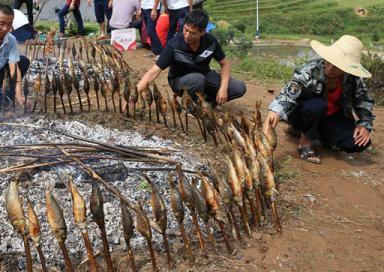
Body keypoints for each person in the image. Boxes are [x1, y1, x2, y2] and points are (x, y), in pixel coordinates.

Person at [263, 35, 374, 164]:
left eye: (338, 65)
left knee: (357, 143)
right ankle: (305, 142)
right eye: (329, 60)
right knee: (317, 105)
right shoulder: (308, 71)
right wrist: (265, 138)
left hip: (330, 116)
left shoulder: (353, 78)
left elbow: (363, 101)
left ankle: (315, 133)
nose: (331, 67)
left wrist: (364, 124)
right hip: (306, 113)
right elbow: (282, 102)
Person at [136, 9, 246, 105]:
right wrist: (133, 96)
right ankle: (189, 106)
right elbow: (153, 72)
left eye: (192, 33)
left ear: (202, 32)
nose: (187, 35)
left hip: (204, 75)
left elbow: (225, 64)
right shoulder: (174, 45)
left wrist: (223, 88)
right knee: (198, 80)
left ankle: (209, 102)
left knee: (239, 88)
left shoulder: (211, 42)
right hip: (180, 81)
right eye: (186, 30)